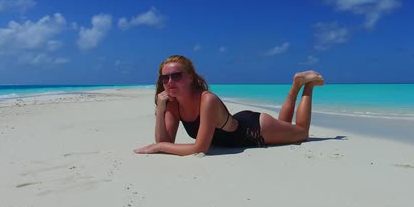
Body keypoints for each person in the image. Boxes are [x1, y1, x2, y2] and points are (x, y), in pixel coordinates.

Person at [134, 55, 324, 156]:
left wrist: (158, 147)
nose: (169, 81)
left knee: (300, 133)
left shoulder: (207, 100)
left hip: (253, 130)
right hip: (237, 125)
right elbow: (165, 139)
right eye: (165, 78)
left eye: (176, 76)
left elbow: (199, 148)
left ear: (190, 77)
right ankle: (296, 84)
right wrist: (160, 109)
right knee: (286, 126)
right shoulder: (172, 105)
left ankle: (306, 86)